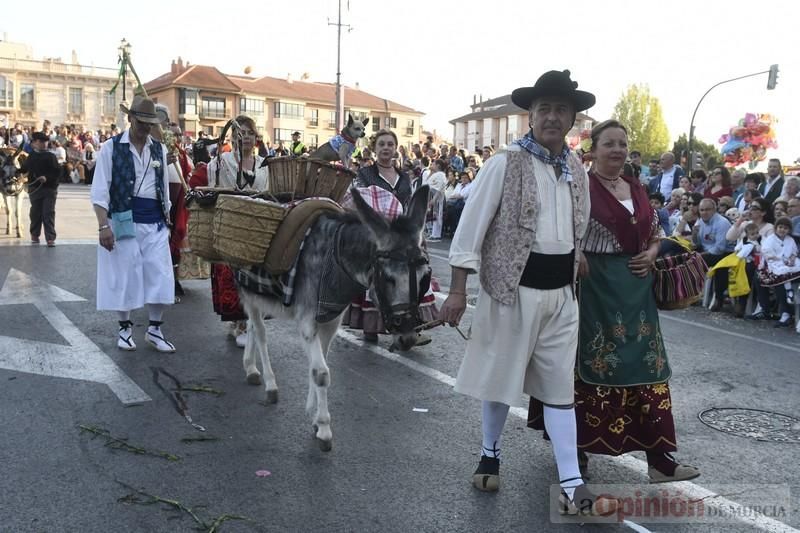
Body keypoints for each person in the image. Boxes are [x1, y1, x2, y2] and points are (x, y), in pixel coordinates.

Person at [440, 70, 616, 516]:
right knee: (501, 379)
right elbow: (469, 229)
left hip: (561, 296)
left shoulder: (576, 168)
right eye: (544, 110)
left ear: (573, 120)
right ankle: (489, 451)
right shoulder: (505, 162)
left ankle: (572, 480)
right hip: (511, 290)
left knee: (560, 387)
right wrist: (458, 291)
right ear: (531, 116)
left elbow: (578, 223)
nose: (552, 117)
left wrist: (577, 256)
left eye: (561, 110)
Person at [527, 119, 699, 485]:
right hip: (594, 288)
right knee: (591, 365)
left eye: (622, 143)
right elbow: (557, 227)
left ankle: (660, 460)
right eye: (610, 144)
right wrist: (577, 253)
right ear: (594, 150)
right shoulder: (578, 187)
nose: (618, 150)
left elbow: (655, 231)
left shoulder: (636, 187)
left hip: (637, 291)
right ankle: (574, 451)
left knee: (646, 367)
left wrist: (653, 251)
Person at [90, 95, 176, 353]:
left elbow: (164, 188)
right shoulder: (111, 148)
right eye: (141, 123)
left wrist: (167, 217)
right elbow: (99, 190)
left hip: (156, 222)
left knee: (160, 274)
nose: (145, 129)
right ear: (130, 119)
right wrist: (103, 226)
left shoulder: (159, 149)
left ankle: (155, 329)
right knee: (125, 274)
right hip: (123, 220)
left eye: (150, 124)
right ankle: (125, 329)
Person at [343, 129, 435, 345]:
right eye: (381, 144)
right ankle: (370, 326)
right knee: (379, 279)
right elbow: (362, 203)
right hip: (377, 233)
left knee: (410, 277)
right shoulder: (365, 174)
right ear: (374, 149)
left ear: (395, 149)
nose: (386, 148)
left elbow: (409, 204)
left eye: (390, 144)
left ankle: (411, 324)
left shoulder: (403, 176)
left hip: (402, 235)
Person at [205, 115, 268, 347]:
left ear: (256, 137)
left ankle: (249, 322)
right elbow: (213, 189)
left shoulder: (264, 164)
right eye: (240, 134)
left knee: (255, 277)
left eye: (249, 133)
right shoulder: (221, 162)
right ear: (232, 138)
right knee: (234, 276)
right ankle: (239, 323)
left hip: (257, 227)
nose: (246, 138)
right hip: (230, 224)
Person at [693, 198, 734, 311]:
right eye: (701, 210)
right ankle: (691, 293)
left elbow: (719, 248)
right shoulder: (701, 221)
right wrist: (694, 235)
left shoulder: (722, 223)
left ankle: (718, 298)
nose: (704, 213)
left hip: (726, 253)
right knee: (685, 258)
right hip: (708, 251)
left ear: (714, 210)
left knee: (703, 260)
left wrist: (702, 254)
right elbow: (698, 243)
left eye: (707, 210)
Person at [758, 217, 800, 327]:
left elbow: (794, 251)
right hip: (773, 264)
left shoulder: (790, 240)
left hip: (788, 263)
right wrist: (780, 260)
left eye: (785, 228)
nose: (782, 230)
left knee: (793, 270)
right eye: (780, 227)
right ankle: (786, 311)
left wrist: (791, 259)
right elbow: (767, 253)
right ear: (776, 228)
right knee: (780, 278)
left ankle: (790, 302)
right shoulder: (770, 239)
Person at [21, 132, 61, 246]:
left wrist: (47, 178)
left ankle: (50, 238)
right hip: (34, 189)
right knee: (35, 213)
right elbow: (24, 169)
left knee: (48, 213)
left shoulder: (51, 156)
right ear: (34, 143)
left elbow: (57, 173)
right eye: (41, 142)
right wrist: (15, 171)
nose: (44, 144)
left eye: (45, 142)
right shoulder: (31, 156)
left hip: (49, 189)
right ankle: (34, 235)